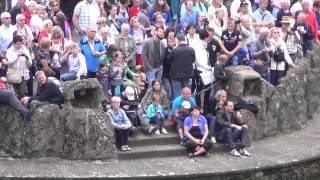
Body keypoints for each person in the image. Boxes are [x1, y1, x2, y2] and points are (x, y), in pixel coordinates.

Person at [3, 35, 32, 99]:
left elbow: (30, 64)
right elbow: (9, 63)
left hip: (24, 75)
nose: (19, 45)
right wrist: (17, 55)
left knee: (22, 93)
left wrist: (26, 57)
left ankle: (23, 107)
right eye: (17, 44)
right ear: (13, 43)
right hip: (13, 75)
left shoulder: (25, 50)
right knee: (15, 94)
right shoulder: (9, 51)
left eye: (20, 43)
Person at [169, 34, 195, 99]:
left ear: (177, 40)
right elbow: (193, 60)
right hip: (187, 75)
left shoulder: (174, 50)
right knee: (187, 94)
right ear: (184, 40)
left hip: (175, 75)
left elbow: (170, 60)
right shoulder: (191, 49)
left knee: (177, 95)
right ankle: (187, 108)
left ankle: (177, 108)